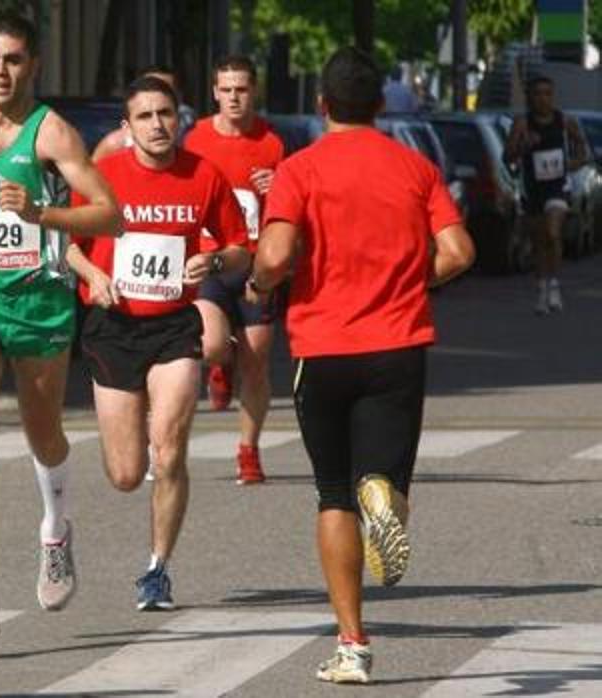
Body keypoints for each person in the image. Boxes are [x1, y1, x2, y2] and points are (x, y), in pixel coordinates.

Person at [247, 47, 474, 684]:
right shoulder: (414, 166)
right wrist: (410, 282)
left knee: (331, 495)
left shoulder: (299, 169)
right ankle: (387, 497)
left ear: (322, 106)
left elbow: (276, 252)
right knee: (382, 481)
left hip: (322, 349)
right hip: (397, 346)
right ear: (380, 105)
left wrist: (265, 286)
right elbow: (458, 250)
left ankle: (352, 645)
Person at [0, 11, 121, 637]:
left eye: (13, 60)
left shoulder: (52, 134)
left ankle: (55, 527)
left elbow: (108, 216)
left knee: (44, 434)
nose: (1, 71)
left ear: (31, 65)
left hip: (40, 301)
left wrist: (41, 212)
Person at [67, 76, 250, 610]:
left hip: (174, 324)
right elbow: (66, 246)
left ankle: (157, 569)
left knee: (168, 453)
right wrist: (92, 277)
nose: (157, 125)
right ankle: (139, 441)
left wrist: (215, 260)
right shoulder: (103, 178)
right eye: (144, 116)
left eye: (165, 114)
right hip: (114, 327)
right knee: (126, 474)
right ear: (127, 128)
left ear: (180, 119)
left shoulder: (204, 176)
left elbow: (241, 249)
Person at [184, 54, 285, 484]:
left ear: (253, 91)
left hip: (254, 262)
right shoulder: (196, 139)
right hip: (209, 258)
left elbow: (290, 208)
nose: (233, 98)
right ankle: (219, 364)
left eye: (241, 89)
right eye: (225, 90)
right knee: (209, 345)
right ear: (214, 93)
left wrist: (277, 188)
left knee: (258, 358)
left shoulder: (272, 143)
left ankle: (249, 450)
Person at [503, 75, 589, 315]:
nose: (543, 99)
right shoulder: (522, 124)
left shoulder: (565, 122)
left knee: (553, 233)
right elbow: (507, 157)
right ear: (530, 97)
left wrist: (573, 163)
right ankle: (542, 288)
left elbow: (583, 149)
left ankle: (554, 285)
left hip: (558, 187)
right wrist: (523, 146)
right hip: (533, 188)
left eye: (548, 94)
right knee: (540, 242)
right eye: (538, 94)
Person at [91, 65, 194, 162]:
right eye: (145, 116)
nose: (157, 124)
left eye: (165, 89)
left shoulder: (191, 125)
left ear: (179, 95)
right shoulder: (115, 145)